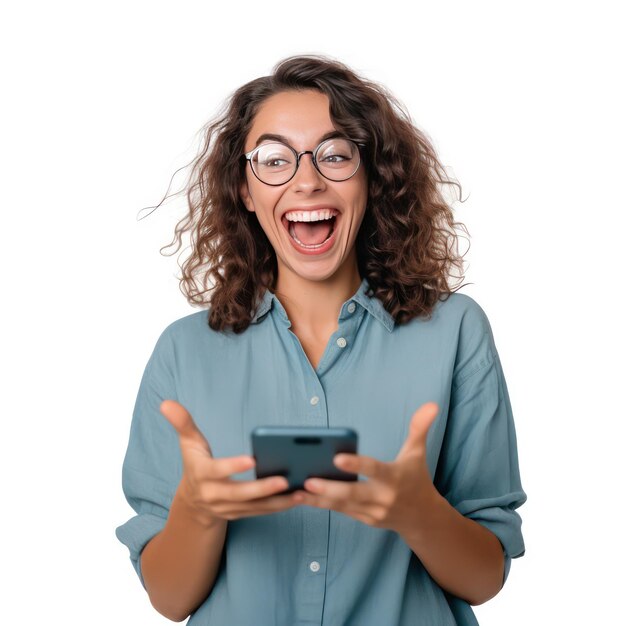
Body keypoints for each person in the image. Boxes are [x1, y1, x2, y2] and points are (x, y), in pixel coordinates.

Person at [115, 55, 526, 625]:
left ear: (371, 176)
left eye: (335, 155)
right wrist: (198, 512)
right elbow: (170, 598)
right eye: (274, 160)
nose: (306, 180)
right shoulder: (185, 352)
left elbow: (484, 579)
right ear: (243, 188)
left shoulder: (455, 332)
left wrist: (418, 513)